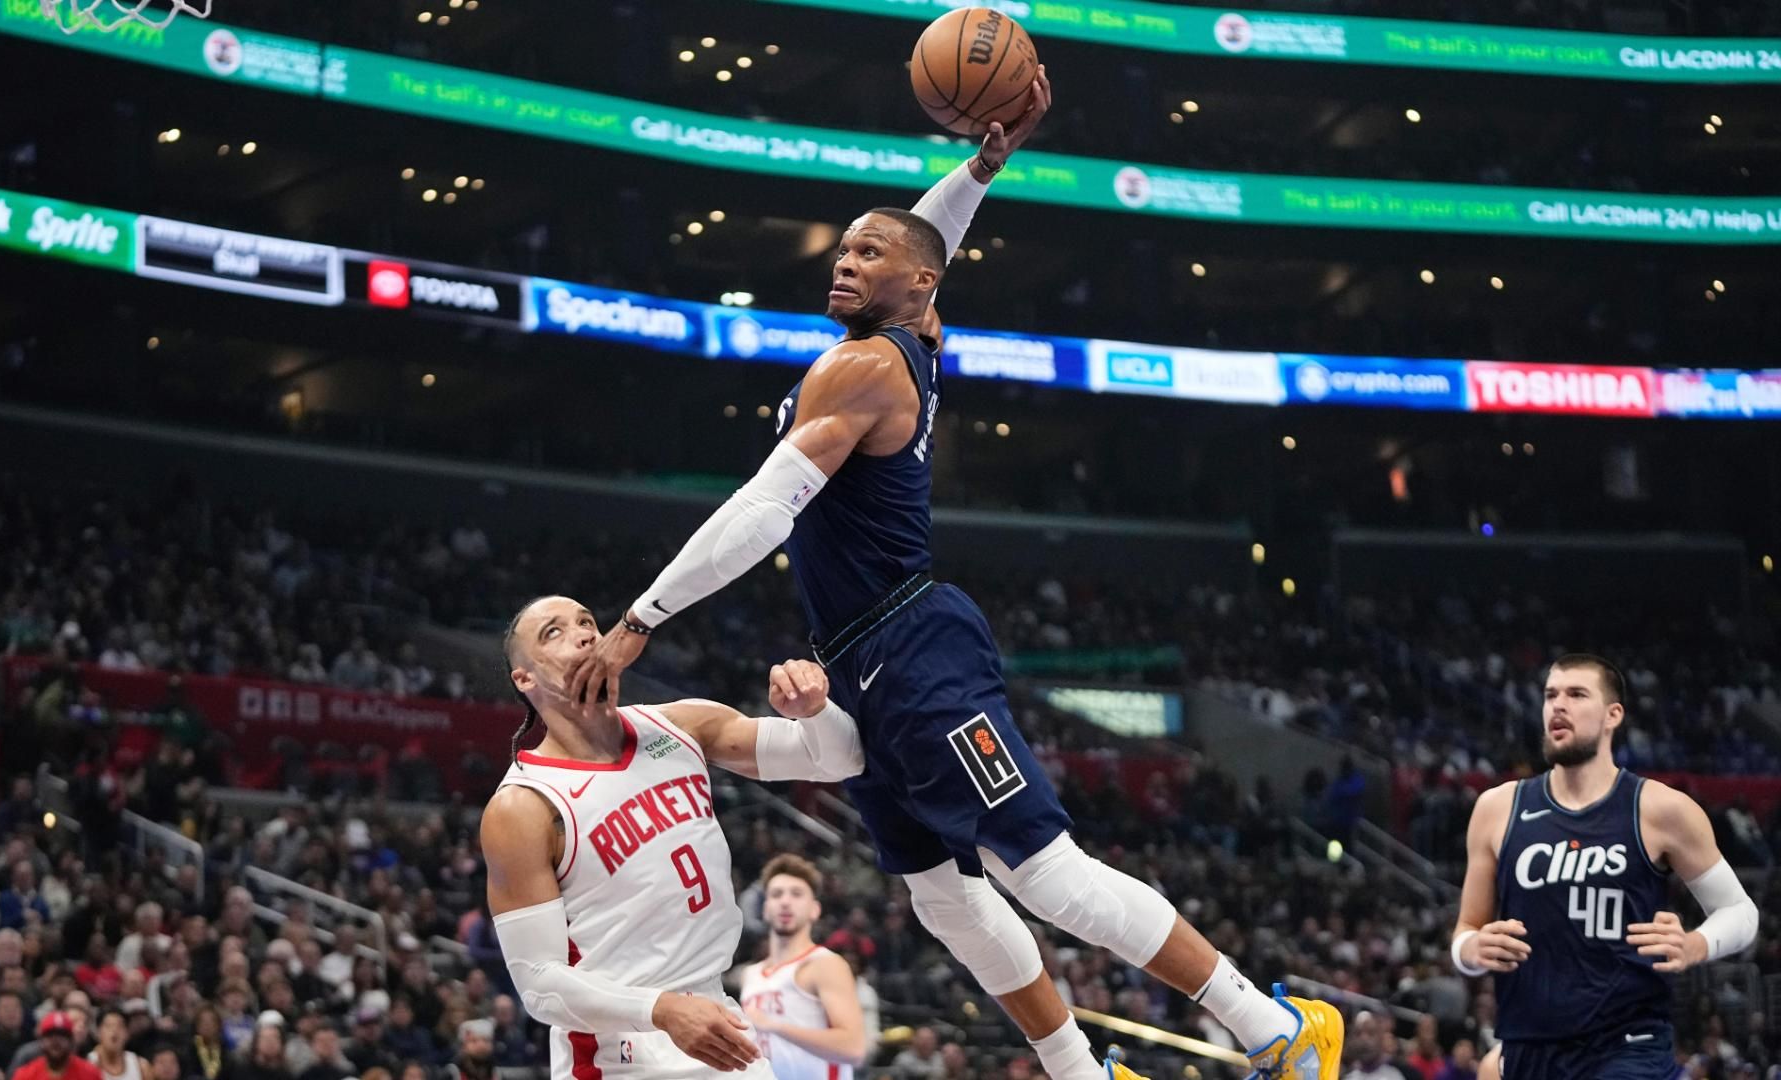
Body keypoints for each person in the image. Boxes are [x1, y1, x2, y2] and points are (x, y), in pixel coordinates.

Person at [564, 68, 1341, 1080]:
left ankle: (1271, 1030)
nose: (843, 261)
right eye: (841, 247)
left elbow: (765, 506)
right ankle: (1078, 1073)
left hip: (912, 645)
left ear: (918, 283)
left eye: (867, 252)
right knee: (942, 898)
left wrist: (643, 617)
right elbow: (926, 237)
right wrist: (979, 169)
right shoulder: (906, 335)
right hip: (862, 657)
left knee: (1045, 873)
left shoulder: (870, 366)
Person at [482, 597, 866, 1079]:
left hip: (718, 1020)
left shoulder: (680, 725)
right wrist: (659, 1010)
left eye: (587, 622)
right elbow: (539, 985)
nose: (582, 633)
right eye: (553, 633)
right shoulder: (524, 805)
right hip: (620, 1051)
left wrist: (814, 711)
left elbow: (839, 758)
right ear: (525, 679)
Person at [1451, 654, 1760, 1080]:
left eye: (1577, 695)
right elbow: (1467, 928)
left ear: (1613, 714)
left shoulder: (1661, 809)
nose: (1558, 706)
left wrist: (1694, 945)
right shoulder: (1496, 808)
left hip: (1626, 1047)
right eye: (1550, 696)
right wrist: (1471, 950)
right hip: (1530, 1047)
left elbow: (1741, 912)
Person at [737, 855, 866, 1079]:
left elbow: (853, 1048)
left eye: (796, 894)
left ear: (815, 909)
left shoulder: (825, 964)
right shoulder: (750, 974)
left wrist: (776, 1027)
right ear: (766, 908)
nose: (785, 901)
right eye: (777, 894)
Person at [11, 1013, 103, 1080]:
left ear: (71, 1041)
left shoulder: (90, 1074)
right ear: (41, 1041)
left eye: (62, 1035)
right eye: (50, 1036)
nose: (56, 1042)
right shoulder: (25, 1076)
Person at [87, 1009, 150, 1080]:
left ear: (127, 1033)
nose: (114, 1031)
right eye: (108, 1026)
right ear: (98, 1032)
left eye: (120, 1026)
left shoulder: (141, 1066)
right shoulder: (87, 1064)